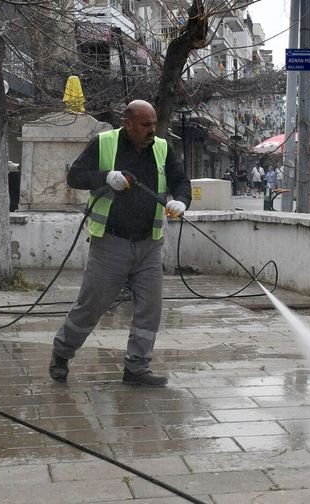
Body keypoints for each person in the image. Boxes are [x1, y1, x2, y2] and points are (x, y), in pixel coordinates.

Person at [49, 100, 192, 388]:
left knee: (150, 307)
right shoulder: (103, 143)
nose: (152, 130)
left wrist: (180, 201)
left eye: (154, 124)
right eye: (145, 124)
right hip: (110, 242)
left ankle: (137, 367)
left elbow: (181, 181)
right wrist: (107, 177)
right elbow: (75, 176)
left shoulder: (162, 148)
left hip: (149, 244)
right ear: (127, 123)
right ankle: (62, 353)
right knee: (92, 304)